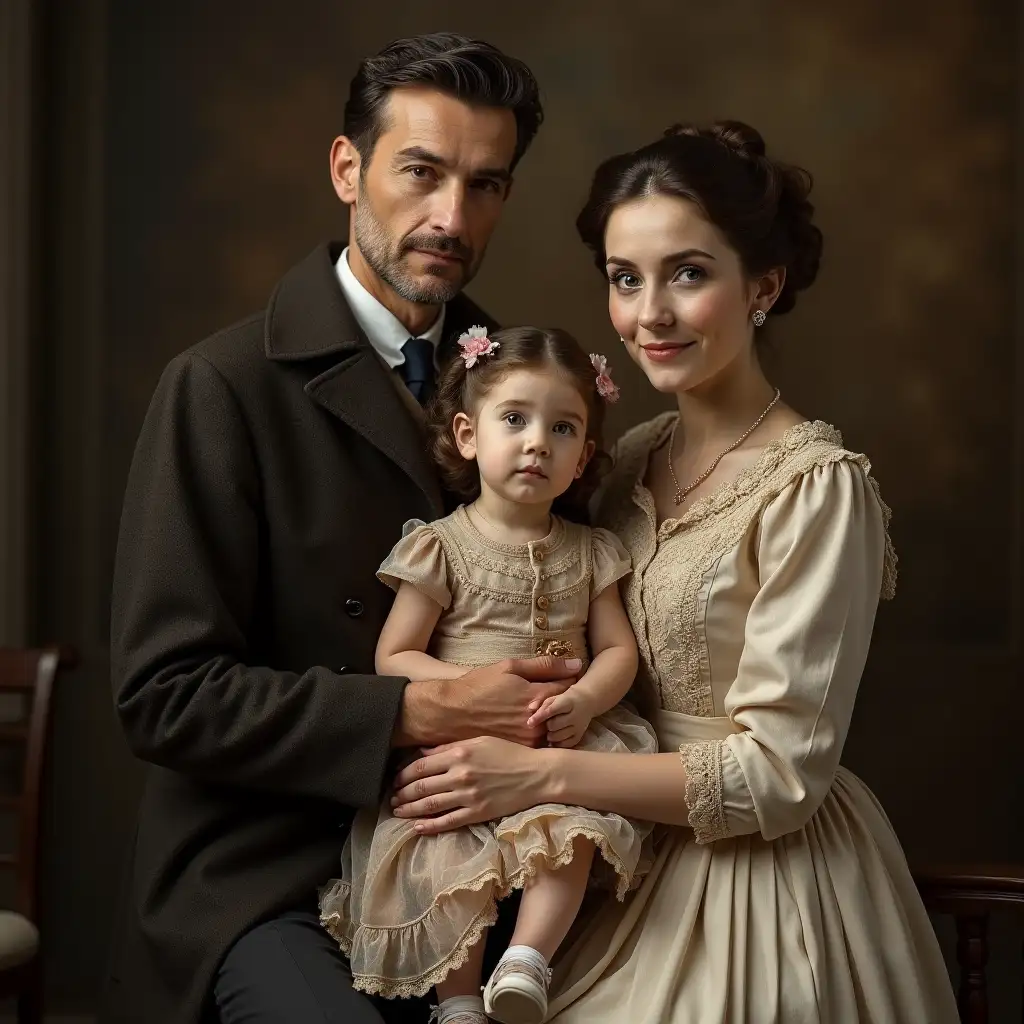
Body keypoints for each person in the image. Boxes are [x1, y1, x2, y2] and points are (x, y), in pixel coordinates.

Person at [387, 121, 960, 1022]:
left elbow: (779, 776)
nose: (648, 313)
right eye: (625, 279)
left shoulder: (816, 490)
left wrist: (538, 778)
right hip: (604, 859)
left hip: (759, 879)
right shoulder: (619, 465)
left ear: (763, 285)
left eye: (687, 274)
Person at [101, 33, 576, 1024]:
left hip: (476, 857)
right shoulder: (220, 386)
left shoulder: (519, 396)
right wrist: (418, 712)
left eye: (485, 184)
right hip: (265, 873)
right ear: (347, 168)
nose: (452, 216)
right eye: (422, 172)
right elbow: (163, 695)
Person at [319, 326, 657, 1024]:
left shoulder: (593, 552)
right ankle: (459, 1000)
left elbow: (618, 651)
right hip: (461, 744)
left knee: (570, 835)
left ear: (583, 457)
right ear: (469, 435)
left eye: (562, 428)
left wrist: (588, 698)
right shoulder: (441, 546)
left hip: (561, 742)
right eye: (515, 419)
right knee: (445, 859)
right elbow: (395, 655)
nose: (537, 441)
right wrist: (464, 694)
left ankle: (525, 962)